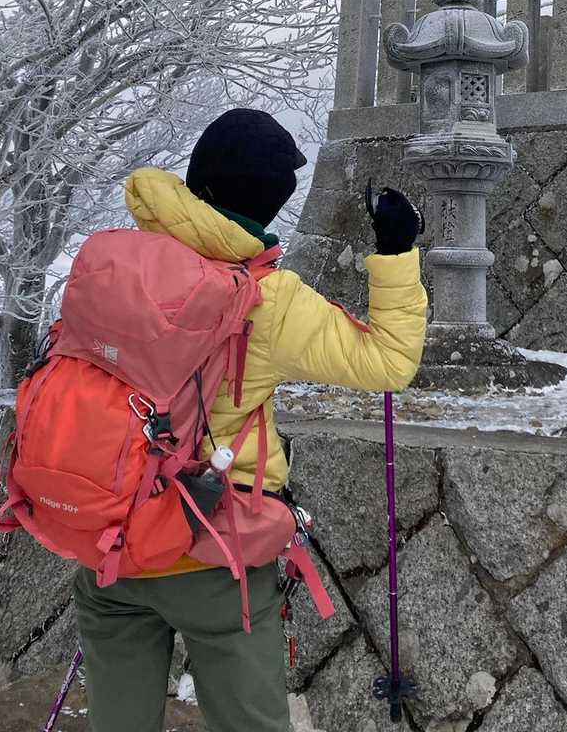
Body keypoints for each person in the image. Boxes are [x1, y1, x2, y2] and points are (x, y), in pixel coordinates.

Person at [72, 108, 428, 732]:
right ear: (267, 203)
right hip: (211, 547)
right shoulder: (265, 297)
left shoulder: (114, 263)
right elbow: (389, 361)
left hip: (110, 543)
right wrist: (396, 252)